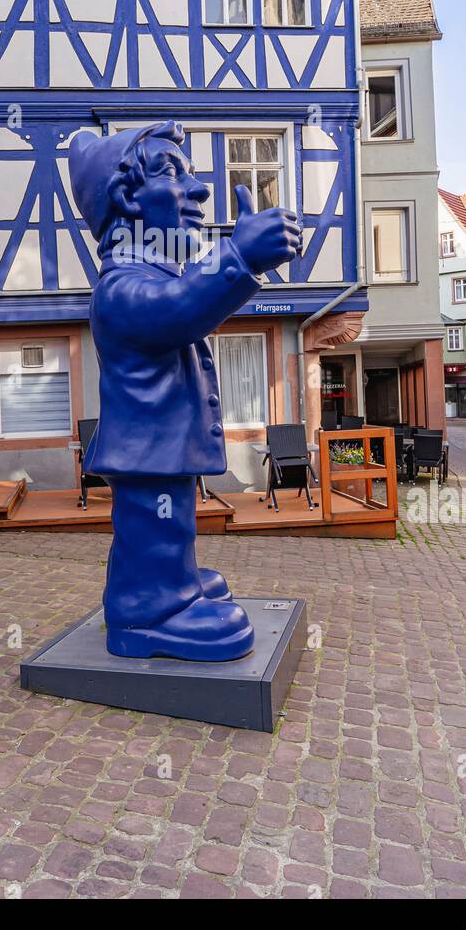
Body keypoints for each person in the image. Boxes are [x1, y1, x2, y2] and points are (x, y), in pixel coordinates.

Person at [69, 120, 303, 661]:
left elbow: (184, 300)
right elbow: (177, 311)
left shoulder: (152, 274)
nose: (198, 190)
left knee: (172, 522)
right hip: (146, 457)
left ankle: (173, 583)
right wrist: (239, 257)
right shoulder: (121, 288)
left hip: (161, 453)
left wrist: (235, 259)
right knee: (154, 522)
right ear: (128, 197)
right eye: (175, 174)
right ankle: (144, 610)